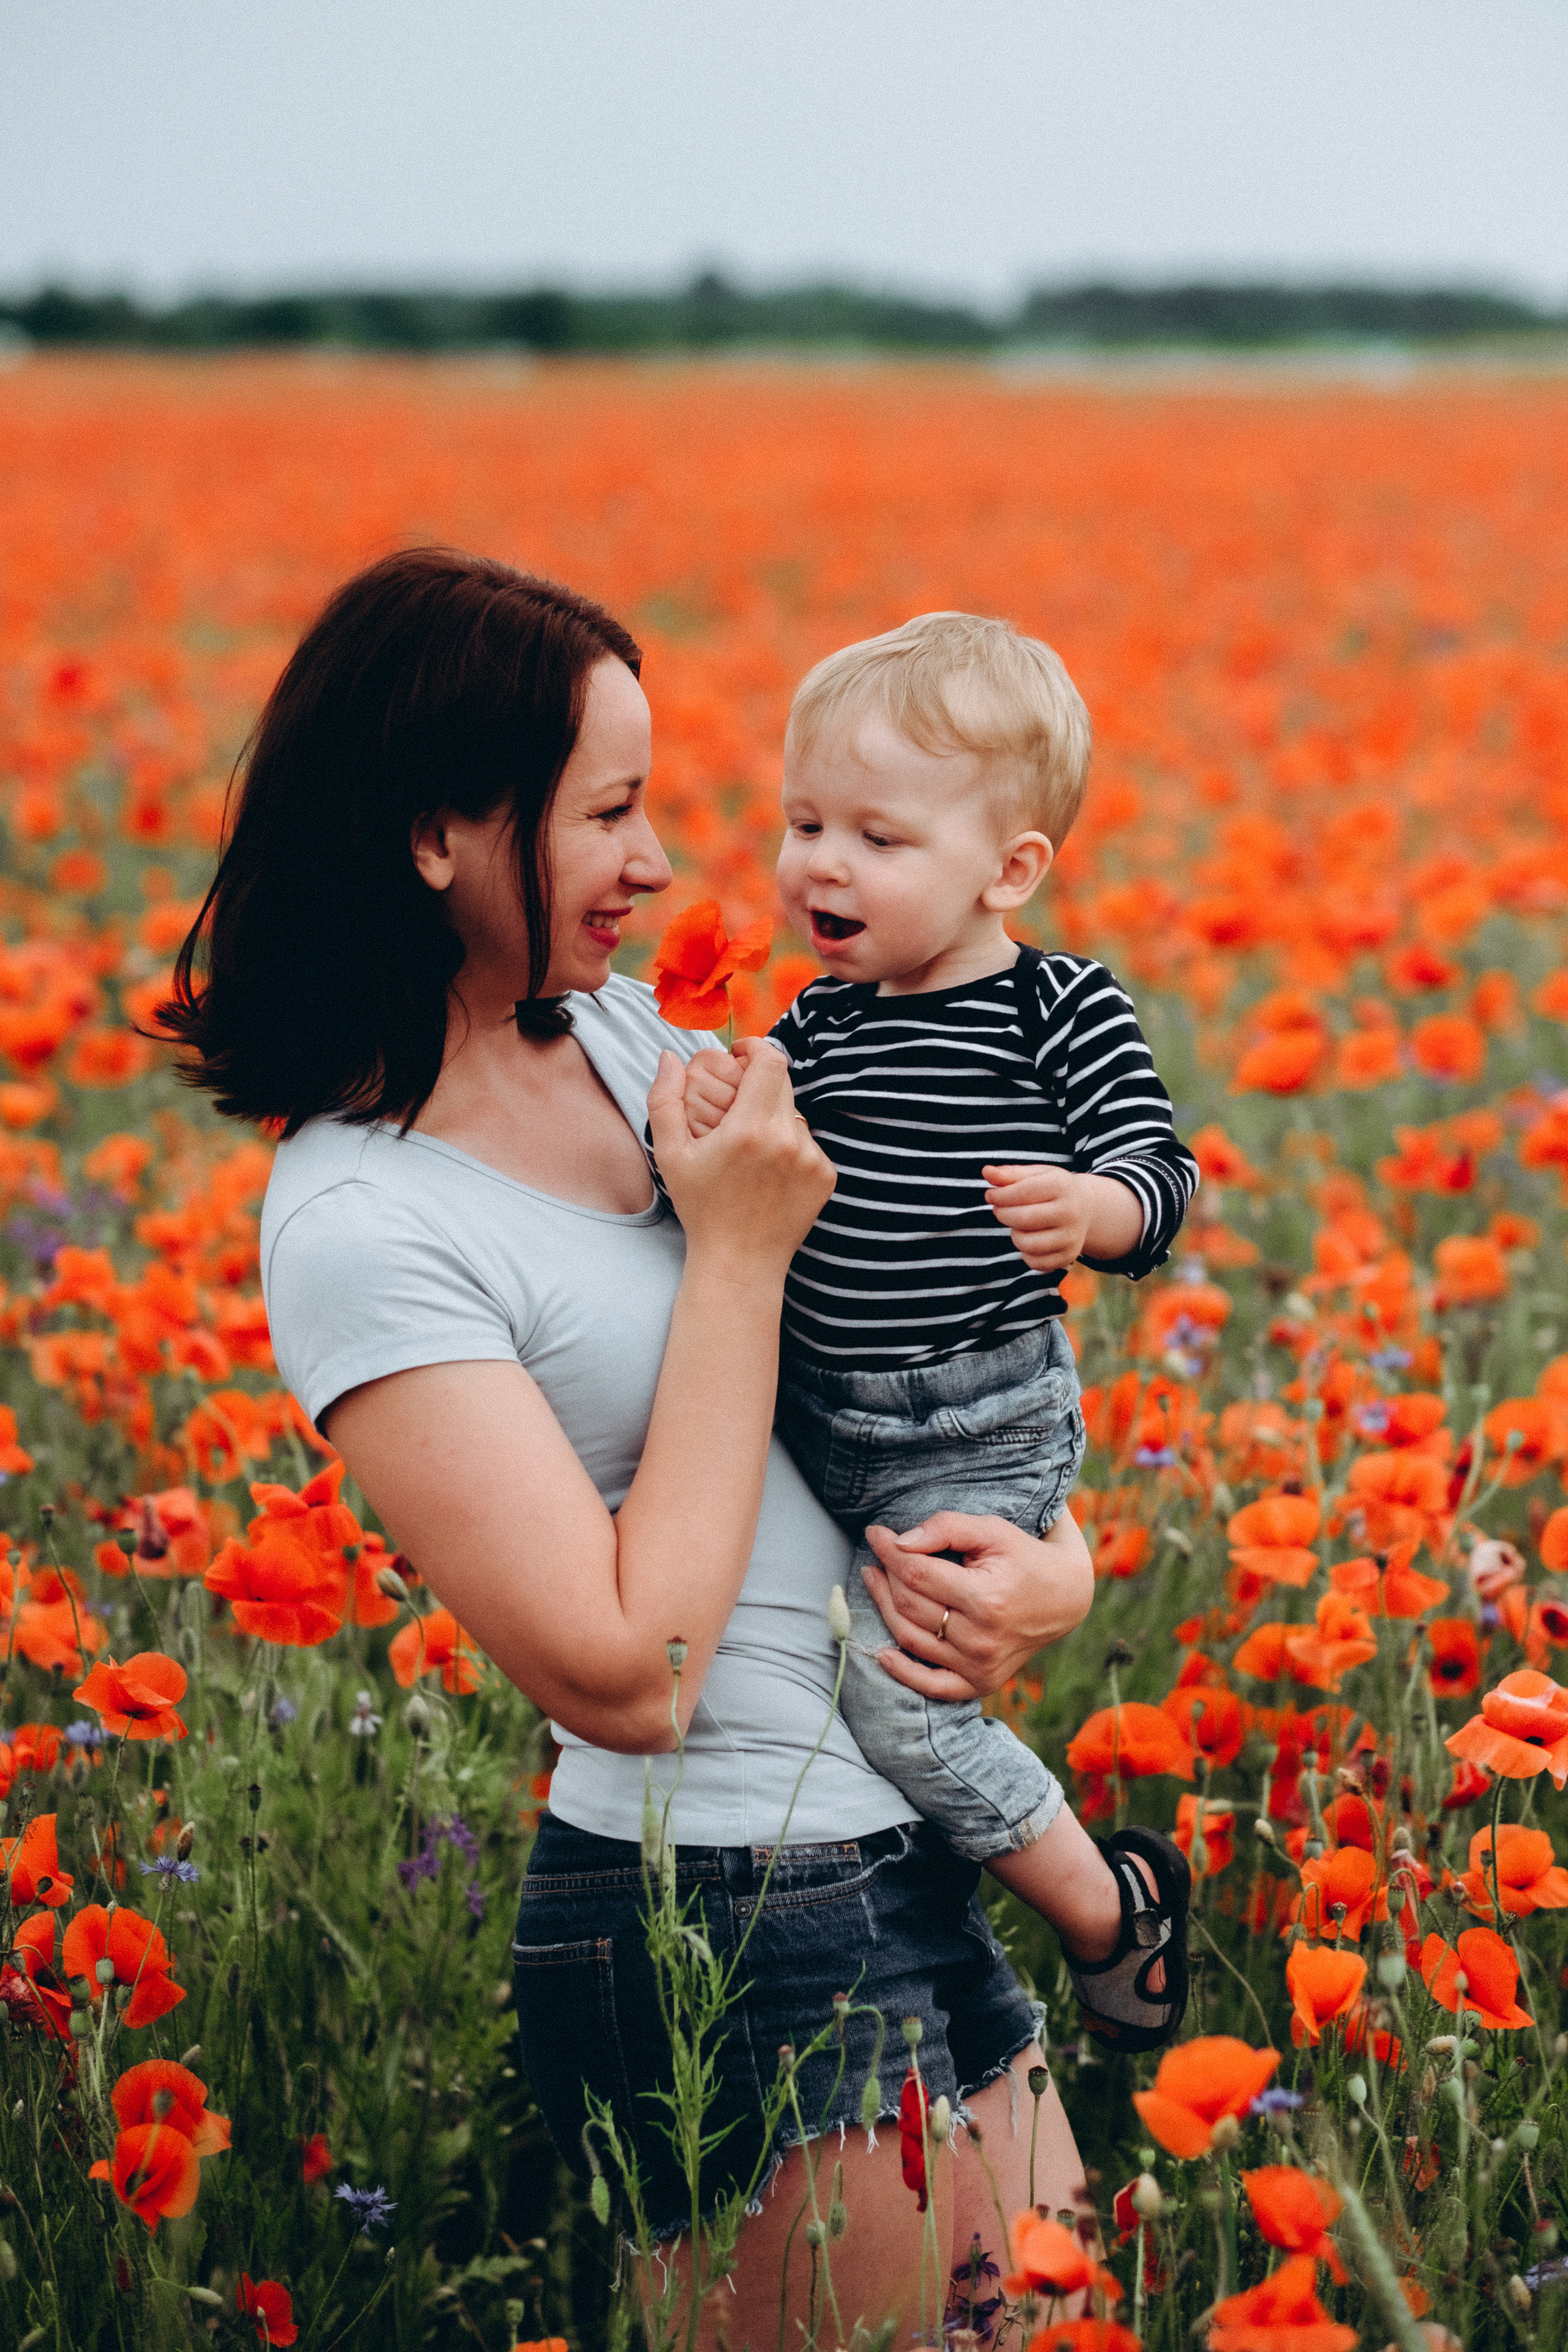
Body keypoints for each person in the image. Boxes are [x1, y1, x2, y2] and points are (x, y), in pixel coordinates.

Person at [162, 547, 1100, 2344]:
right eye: (609, 812)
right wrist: (737, 1247)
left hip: (903, 1828)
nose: (663, 863)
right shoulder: (364, 1219)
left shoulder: (613, 1039)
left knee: (1069, 2323)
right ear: (441, 833)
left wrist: (1053, 1570)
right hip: (725, 1914)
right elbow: (629, 1670)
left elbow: (913, 1334)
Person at [679, 612, 1200, 2051]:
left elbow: (1163, 1180)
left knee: (905, 1710)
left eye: (876, 838)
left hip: (970, 1423)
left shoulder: (1059, 1007)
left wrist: (1091, 1212)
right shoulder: (820, 1021)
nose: (820, 866)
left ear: (1009, 870)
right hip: (814, 1413)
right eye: (802, 824)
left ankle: (1108, 1911)